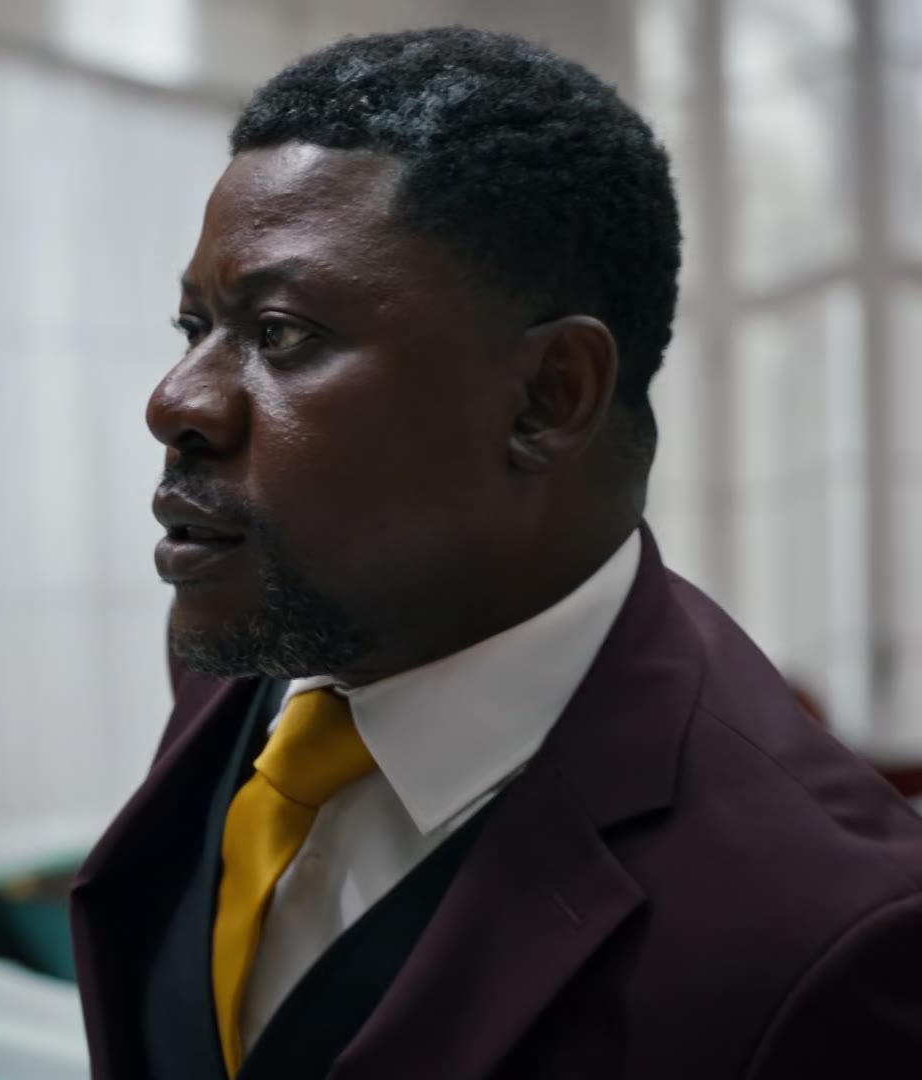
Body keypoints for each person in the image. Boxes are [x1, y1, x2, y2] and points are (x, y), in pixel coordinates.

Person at [69, 27, 922, 1080]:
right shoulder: (243, 648)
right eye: (193, 326)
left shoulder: (829, 936)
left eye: (280, 331)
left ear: (549, 398)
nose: (175, 400)